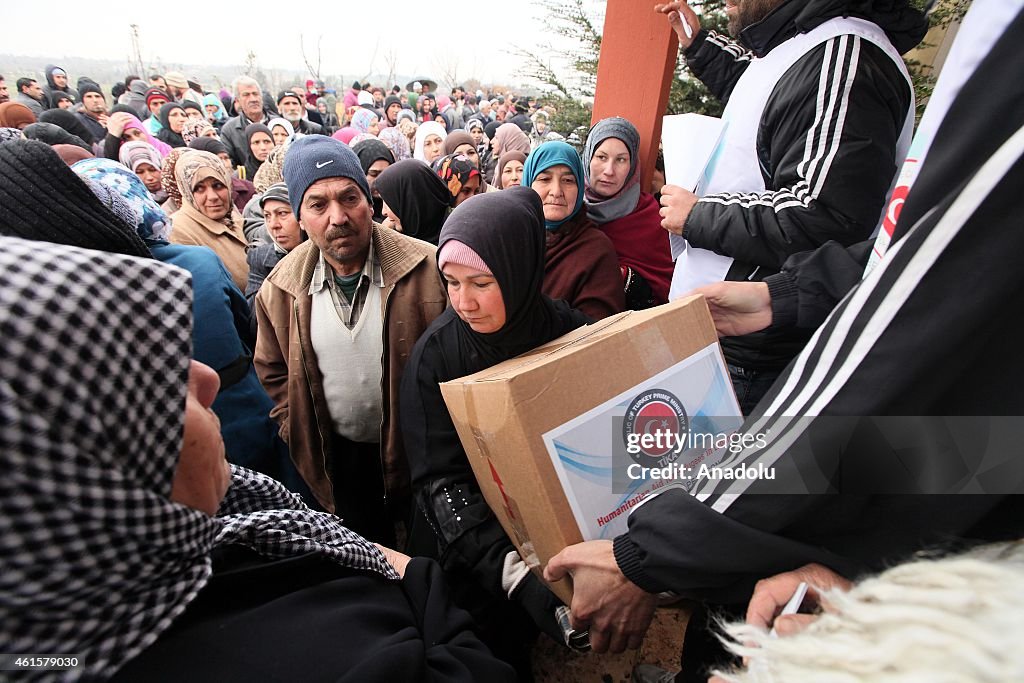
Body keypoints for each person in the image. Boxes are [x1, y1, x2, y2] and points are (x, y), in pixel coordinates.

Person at [546, 4, 1024, 681]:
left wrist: (644, 555)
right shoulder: (805, 51)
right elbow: (886, 249)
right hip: (762, 343)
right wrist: (783, 295)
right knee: (750, 577)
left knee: (750, 576)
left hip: (781, 376)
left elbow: (878, 288)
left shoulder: (848, 56)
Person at [0, 233, 517, 683]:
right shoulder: (324, 660)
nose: (207, 379)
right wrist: (412, 576)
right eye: (159, 375)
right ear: (66, 458)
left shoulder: (224, 531)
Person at [655, 0, 926, 414]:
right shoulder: (803, 46)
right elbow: (772, 104)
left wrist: (699, 215)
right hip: (728, 335)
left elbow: (825, 215)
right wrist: (700, 46)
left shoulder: (845, 56)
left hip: (757, 350)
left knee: (711, 475)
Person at [401, 187, 593, 676]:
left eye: (482, 282)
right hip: (472, 559)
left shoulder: (568, 331)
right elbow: (440, 483)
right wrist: (515, 577)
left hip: (555, 537)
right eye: (451, 282)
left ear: (519, 269)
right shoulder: (436, 358)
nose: (464, 302)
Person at [253, 136, 448, 543]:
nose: (338, 217)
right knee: (367, 559)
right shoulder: (281, 289)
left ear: (370, 203)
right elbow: (271, 371)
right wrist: (295, 426)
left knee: (428, 560)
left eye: (349, 198)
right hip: (340, 462)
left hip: (423, 458)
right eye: (318, 205)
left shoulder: (428, 269)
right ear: (301, 217)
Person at [522, 141, 625, 319]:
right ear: (528, 183)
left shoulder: (595, 249)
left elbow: (598, 329)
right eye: (545, 179)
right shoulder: (510, 236)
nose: (556, 191)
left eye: (568, 181)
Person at [583, 117, 674, 309]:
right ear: (587, 158)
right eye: (601, 157)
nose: (609, 170)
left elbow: (666, 289)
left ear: (632, 166)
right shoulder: (569, 209)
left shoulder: (649, 217)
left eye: (621, 160)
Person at [170, 149, 249, 291]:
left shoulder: (233, 216)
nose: (212, 196)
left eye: (217, 185)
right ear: (187, 192)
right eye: (199, 188)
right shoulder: (178, 231)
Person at [246, 181, 306, 306]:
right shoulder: (260, 258)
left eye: (282, 213)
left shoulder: (325, 254)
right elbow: (255, 316)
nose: (273, 225)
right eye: (267, 215)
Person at [374, 159, 451, 244]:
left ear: (411, 202)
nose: (383, 212)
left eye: (389, 202)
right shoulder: (396, 241)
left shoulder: (455, 240)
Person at [221, 77, 273, 168]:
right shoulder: (229, 130)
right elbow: (229, 163)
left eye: (255, 94)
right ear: (237, 101)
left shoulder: (277, 124)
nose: (253, 99)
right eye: (246, 95)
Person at [353, 138, 396, 223]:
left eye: (386, 173)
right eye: (373, 174)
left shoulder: (399, 209)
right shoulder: (348, 210)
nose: (380, 180)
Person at [75, 81, 108, 145]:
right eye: (89, 97)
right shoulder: (78, 120)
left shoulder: (113, 117)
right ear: (83, 102)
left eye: (97, 96)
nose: (95, 100)